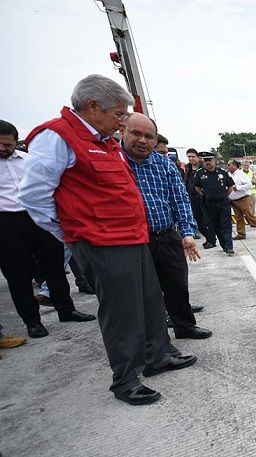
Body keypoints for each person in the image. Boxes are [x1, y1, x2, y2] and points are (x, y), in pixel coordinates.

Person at [19, 74, 196, 405]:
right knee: (122, 311)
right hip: (102, 241)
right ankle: (126, 379)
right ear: (92, 106)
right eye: (118, 114)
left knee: (149, 301)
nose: (121, 121)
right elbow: (33, 195)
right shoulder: (58, 137)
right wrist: (71, 233)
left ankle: (157, 357)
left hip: (132, 236)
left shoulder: (105, 142)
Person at [0, 119, 95, 338]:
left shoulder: (28, 160)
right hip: (6, 223)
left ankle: (66, 309)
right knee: (18, 273)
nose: (3, 148)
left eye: (7, 144)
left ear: (16, 142)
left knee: (55, 265)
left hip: (38, 217)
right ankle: (32, 321)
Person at [121, 113, 212, 340]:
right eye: (136, 133)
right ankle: (158, 341)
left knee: (177, 284)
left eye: (149, 136)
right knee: (146, 293)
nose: (143, 140)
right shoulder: (115, 162)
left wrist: (187, 232)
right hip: (135, 240)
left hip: (167, 235)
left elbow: (180, 199)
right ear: (123, 132)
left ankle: (185, 327)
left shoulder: (164, 165)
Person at [194, 152, 235, 255]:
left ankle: (229, 246)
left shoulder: (222, 172)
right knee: (216, 226)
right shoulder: (200, 173)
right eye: (206, 160)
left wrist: (224, 196)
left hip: (223, 203)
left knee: (226, 225)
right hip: (209, 204)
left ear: (214, 160)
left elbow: (230, 186)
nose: (208, 162)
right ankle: (224, 245)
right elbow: (197, 188)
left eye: (210, 160)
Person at [228, 159, 256, 240]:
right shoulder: (229, 175)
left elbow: (249, 185)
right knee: (238, 218)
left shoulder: (241, 174)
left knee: (250, 216)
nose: (227, 167)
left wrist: (238, 188)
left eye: (229, 165)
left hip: (243, 199)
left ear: (234, 166)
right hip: (234, 200)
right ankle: (241, 234)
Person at [184, 148, 208, 240]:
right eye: (189, 157)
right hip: (191, 196)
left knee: (206, 218)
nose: (191, 158)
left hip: (202, 196)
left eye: (193, 156)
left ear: (198, 157)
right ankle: (207, 237)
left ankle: (211, 237)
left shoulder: (204, 167)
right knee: (196, 217)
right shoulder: (188, 168)